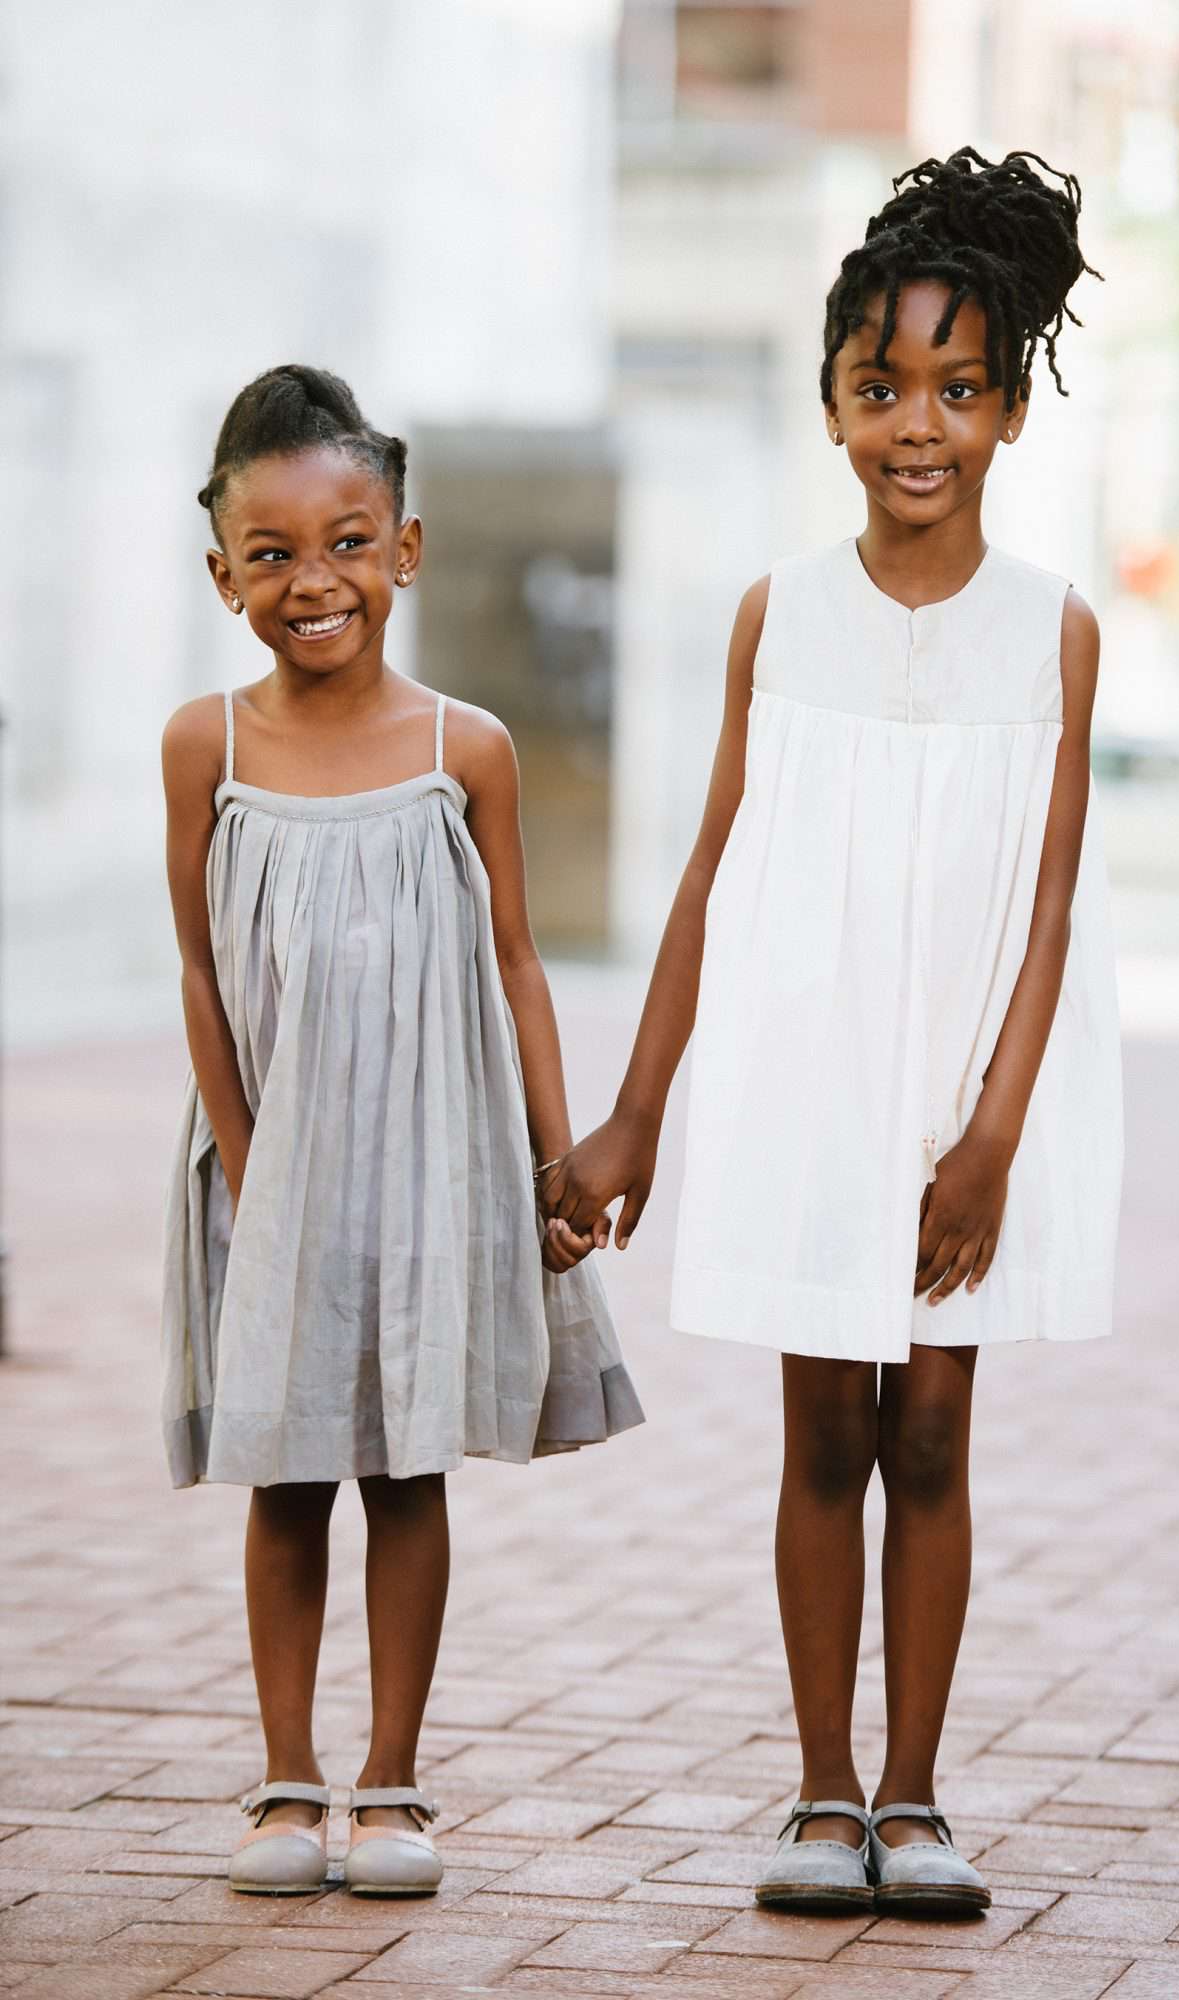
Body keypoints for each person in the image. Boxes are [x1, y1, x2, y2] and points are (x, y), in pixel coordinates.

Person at [542, 149, 1122, 1917]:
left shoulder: (1057, 632)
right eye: (883, 389)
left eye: (958, 389)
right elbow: (716, 872)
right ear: (831, 407)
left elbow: (1049, 905)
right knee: (822, 1434)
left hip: (963, 1084)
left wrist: (996, 1132)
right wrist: (638, 1110)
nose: (918, 426)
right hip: (809, 1067)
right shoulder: (776, 613)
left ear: (1011, 413)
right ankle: (818, 1798)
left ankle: (918, 1797)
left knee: (933, 1429)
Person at [160, 365, 643, 1899]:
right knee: (288, 1469)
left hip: (433, 1154)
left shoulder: (468, 750)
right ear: (224, 568)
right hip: (272, 1165)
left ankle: (393, 1781)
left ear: (408, 550)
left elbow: (516, 961)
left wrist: (557, 1157)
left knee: (406, 1471)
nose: (317, 582)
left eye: (351, 542)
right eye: (276, 553)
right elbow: (198, 969)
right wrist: (246, 1167)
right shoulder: (205, 751)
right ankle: (288, 1777)